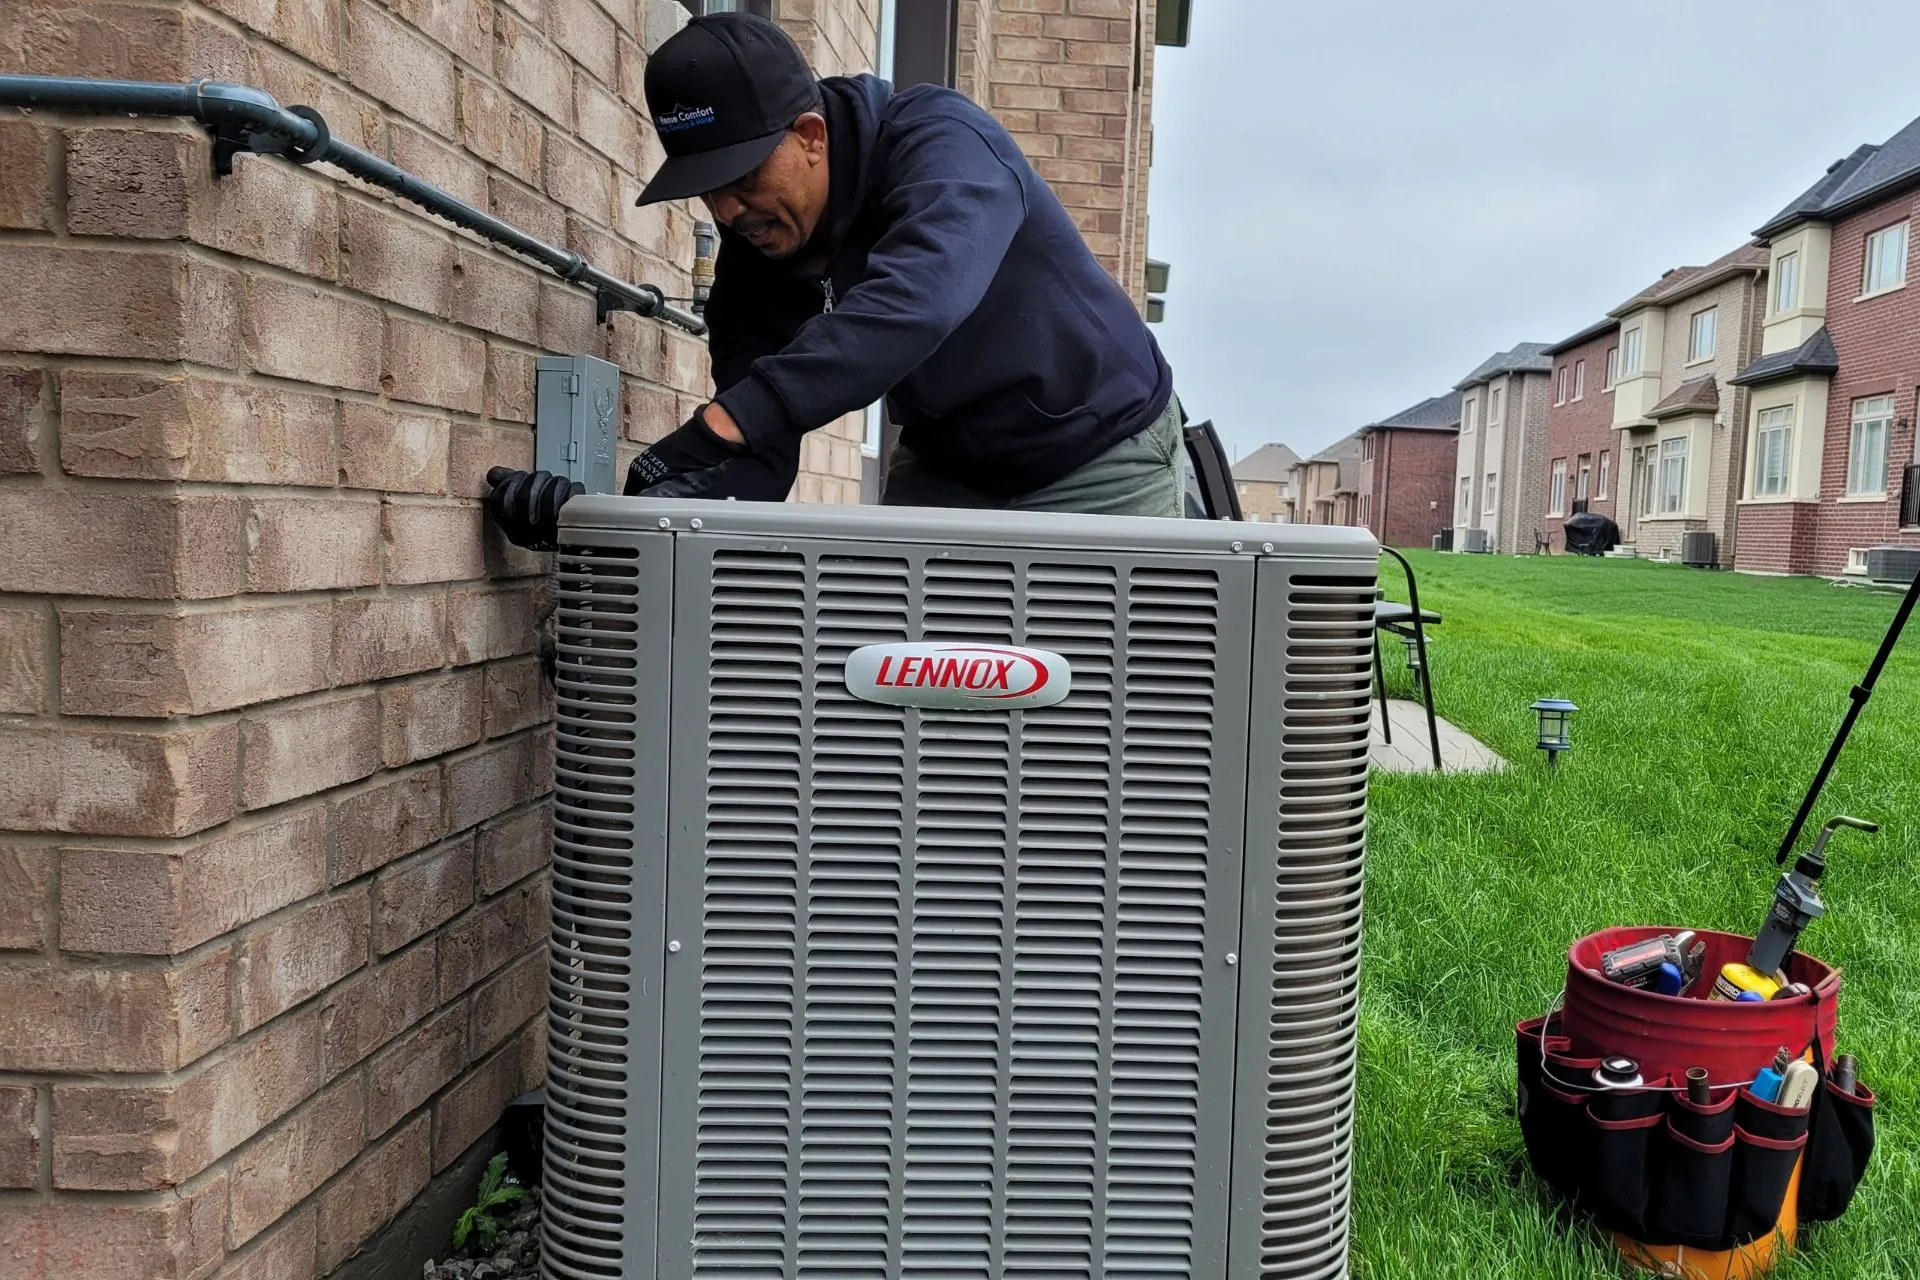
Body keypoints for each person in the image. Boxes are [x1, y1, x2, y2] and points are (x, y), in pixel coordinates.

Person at [486, 11, 1185, 548]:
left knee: (1094, 706)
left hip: (1100, 452)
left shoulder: (943, 144)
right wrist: (607, 525)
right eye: (708, 190)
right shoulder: (756, 254)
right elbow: (752, 462)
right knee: (903, 694)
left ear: (811, 135)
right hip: (952, 463)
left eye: (743, 179)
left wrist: (732, 422)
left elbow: (916, 302)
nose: (728, 211)